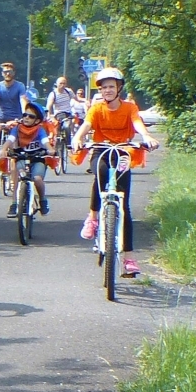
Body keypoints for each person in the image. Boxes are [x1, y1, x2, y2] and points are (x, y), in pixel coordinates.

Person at [71, 68, 161, 278]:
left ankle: (128, 258)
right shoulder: (96, 108)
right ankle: (93, 217)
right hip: (101, 150)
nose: (107, 90)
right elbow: (87, 124)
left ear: (119, 88)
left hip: (123, 152)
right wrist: (77, 138)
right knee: (100, 172)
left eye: (111, 86)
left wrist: (147, 137)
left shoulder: (129, 107)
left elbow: (137, 123)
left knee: (124, 205)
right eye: (103, 87)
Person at [0, 103, 55, 216]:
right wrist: (3, 149)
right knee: (17, 177)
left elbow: (45, 141)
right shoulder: (17, 129)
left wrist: (50, 149)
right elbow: (10, 140)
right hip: (21, 157)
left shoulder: (39, 130)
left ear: (37, 121)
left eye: (31, 116)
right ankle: (14, 204)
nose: (27, 118)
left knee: (37, 179)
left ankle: (43, 201)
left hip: (38, 158)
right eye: (25, 115)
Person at [0, 61, 36, 155]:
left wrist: (25, 115)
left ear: (14, 73)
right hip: (1, 117)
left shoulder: (19, 86)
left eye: (10, 71)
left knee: (15, 139)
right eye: (5, 72)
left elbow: (23, 100)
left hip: (15, 118)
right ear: (2, 74)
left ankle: (16, 157)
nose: (7, 74)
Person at [45, 76, 77, 173]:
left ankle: (68, 144)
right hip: (58, 114)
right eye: (61, 83)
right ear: (56, 84)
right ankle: (54, 147)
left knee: (67, 126)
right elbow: (49, 105)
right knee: (54, 132)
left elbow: (76, 98)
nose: (62, 85)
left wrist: (84, 101)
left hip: (67, 114)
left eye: (64, 83)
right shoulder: (53, 94)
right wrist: (49, 115)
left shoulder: (68, 92)